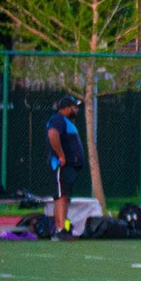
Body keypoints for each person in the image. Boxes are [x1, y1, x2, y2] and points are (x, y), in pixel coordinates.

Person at [44, 95, 84, 239]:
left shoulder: (66, 122)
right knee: (61, 196)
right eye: (74, 107)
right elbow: (53, 134)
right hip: (62, 166)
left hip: (70, 167)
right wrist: (61, 155)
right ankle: (60, 229)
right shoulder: (58, 119)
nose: (76, 110)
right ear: (66, 108)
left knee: (65, 196)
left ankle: (63, 229)